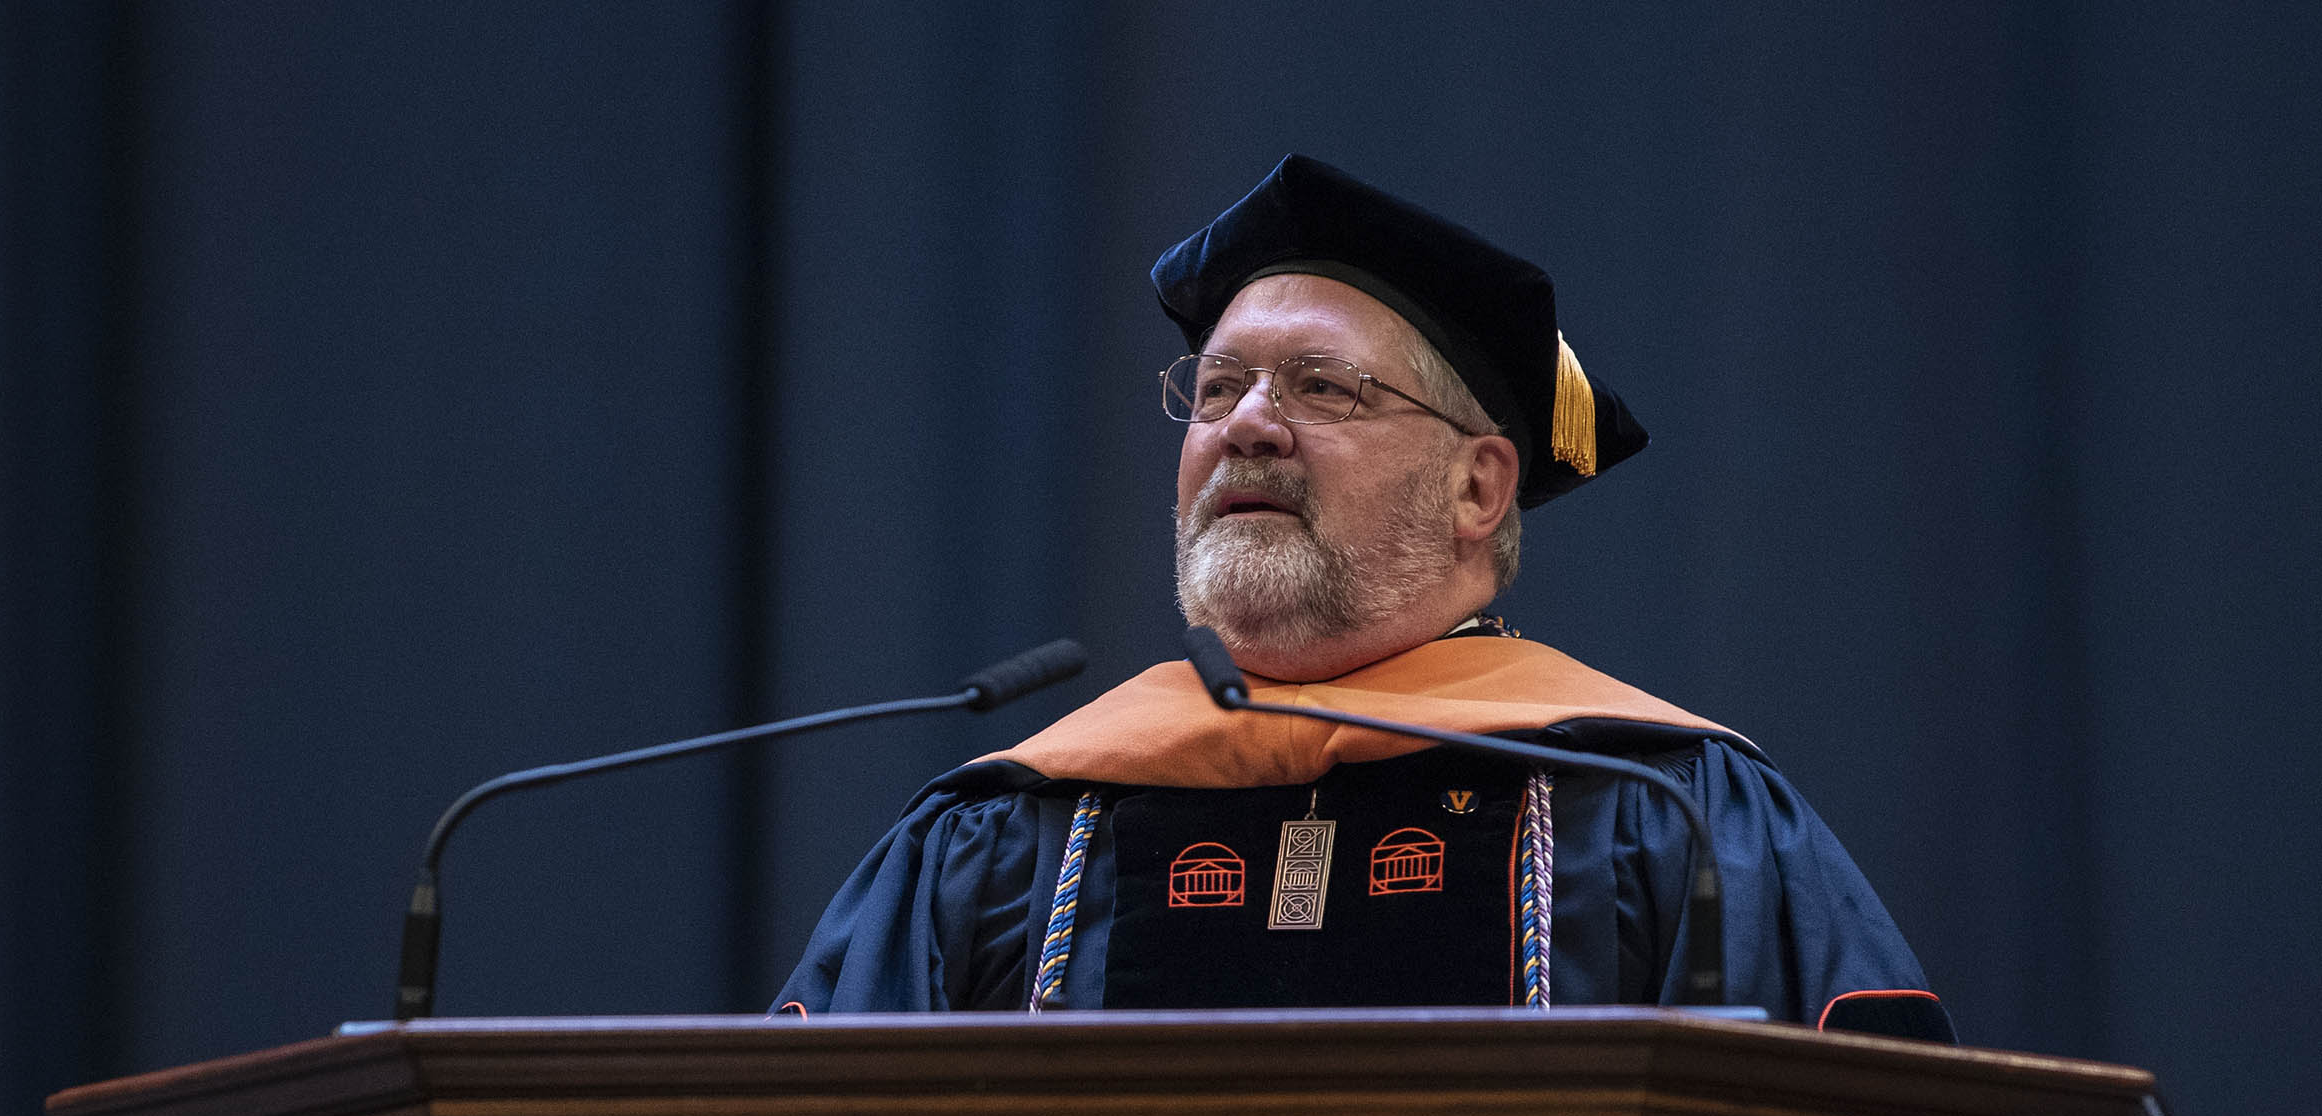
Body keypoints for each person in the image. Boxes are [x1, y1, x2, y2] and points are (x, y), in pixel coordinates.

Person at [774, 155, 1950, 1039]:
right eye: (1218, 385)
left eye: (1321, 387)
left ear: (1478, 485)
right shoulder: (1012, 828)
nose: (1243, 424)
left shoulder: (1661, 807)